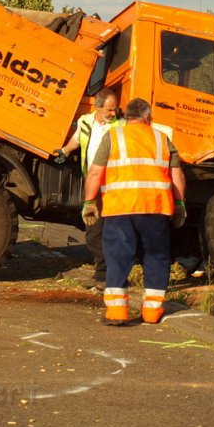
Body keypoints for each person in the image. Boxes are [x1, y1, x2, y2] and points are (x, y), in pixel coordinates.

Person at [82, 97, 187, 326]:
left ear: (126, 116)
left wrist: (89, 202)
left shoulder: (113, 137)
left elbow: (94, 172)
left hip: (120, 208)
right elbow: (177, 175)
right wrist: (179, 205)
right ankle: (151, 312)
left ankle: (117, 312)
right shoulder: (162, 139)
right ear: (148, 117)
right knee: (156, 258)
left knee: (118, 257)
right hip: (155, 208)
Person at [53, 88, 124, 290]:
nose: (113, 113)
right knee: (93, 230)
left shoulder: (121, 125)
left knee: (108, 229)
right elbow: (77, 139)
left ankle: (105, 273)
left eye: (115, 109)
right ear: (97, 107)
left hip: (112, 182)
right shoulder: (85, 121)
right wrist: (64, 152)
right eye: (109, 110)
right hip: (92, 181)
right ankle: (107, 270)